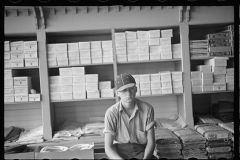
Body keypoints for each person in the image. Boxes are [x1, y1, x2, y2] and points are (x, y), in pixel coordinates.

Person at [103, 73, 156, 160]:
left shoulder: (148, 109)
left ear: (136, 89)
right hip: (119, 153)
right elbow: (108, 148)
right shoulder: (111, 113)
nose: (128, 93)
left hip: (141, 151)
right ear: (117, 93)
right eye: (124, 90)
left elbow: (151, 142)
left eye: (131, 89)